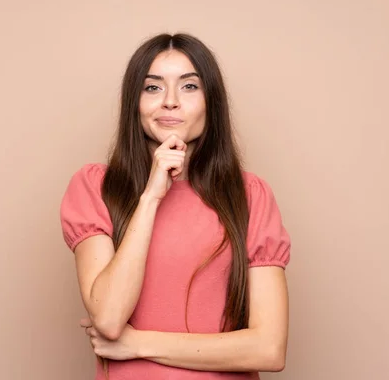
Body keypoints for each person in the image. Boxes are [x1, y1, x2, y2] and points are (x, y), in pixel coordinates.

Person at [60, 33, 291, 380]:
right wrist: (151, 197)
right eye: (152, 88)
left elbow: (269, 349)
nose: (170, 101)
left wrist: (138, 344)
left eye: (189, 87)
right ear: (133, 102)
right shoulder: (96, 187)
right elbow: (108, 318)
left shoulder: (249, 195)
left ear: (211, 101)